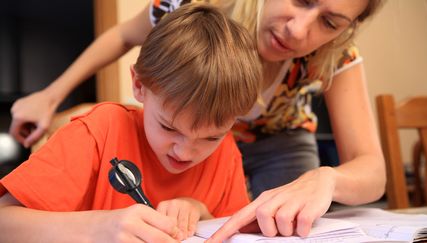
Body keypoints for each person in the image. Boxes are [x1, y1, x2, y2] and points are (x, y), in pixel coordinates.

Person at [9, 0, 387, 239]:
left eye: (330, 22)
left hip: (275, 141)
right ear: (139, 87)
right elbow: (124, 35)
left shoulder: (222, 153)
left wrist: (325, 178)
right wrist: (51, 95)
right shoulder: (192, 11)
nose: (299, 31)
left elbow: (371, 169)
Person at [0, 3, 262, 242]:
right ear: (139, 86)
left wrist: (201, 212)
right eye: (169, 127)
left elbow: (236, 231)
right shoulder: (99, 132)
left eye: (211, 137)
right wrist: (96, 228)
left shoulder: (227, 153)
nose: (184, 152)